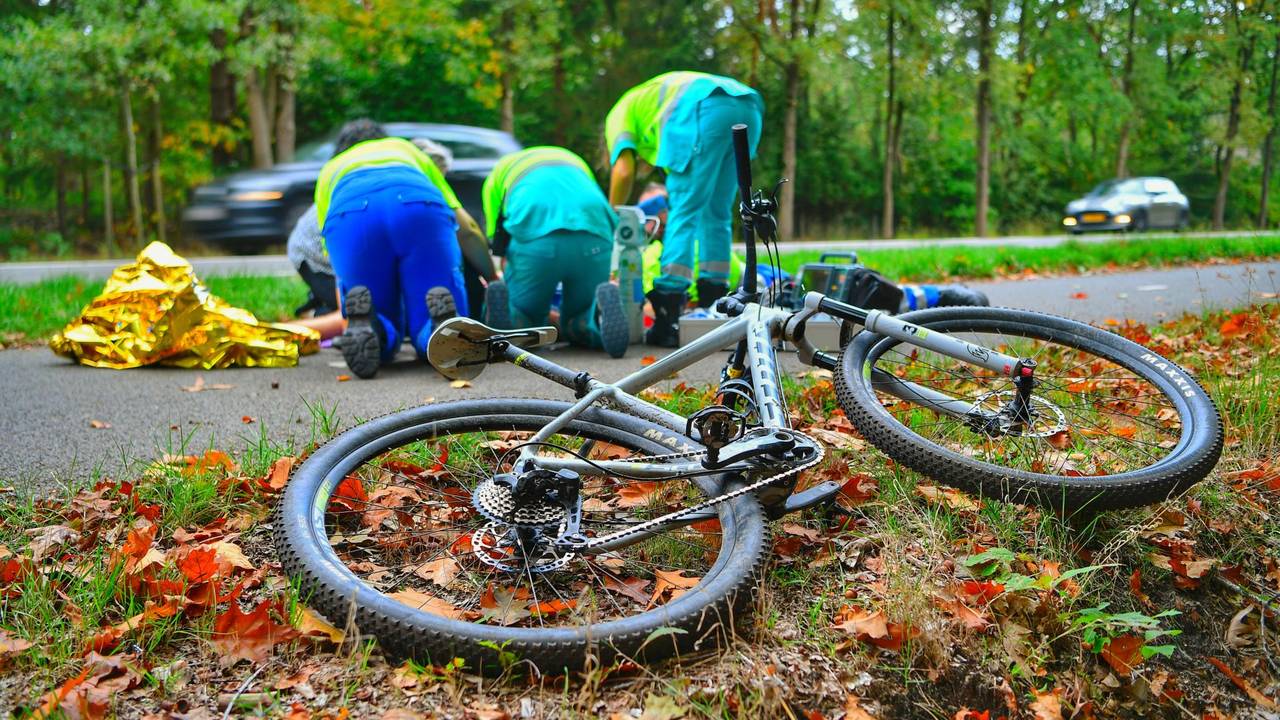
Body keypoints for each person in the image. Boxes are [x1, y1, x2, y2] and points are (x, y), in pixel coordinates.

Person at [315, 119, 497, 378]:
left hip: (351, 213)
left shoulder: (330, 170)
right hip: (415, 200)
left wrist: (348, 315)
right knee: (436, 301)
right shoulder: (406, 150)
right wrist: (491, 276)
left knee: (378, 311)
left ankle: (374, 329)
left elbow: (336, 263)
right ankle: (439, 330)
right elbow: (466, 228)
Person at [605, 71, 764, 346]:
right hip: (748, 105)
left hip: (702, 110)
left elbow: (622, 172)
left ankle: (669, 314)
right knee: (717, 213)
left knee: (685, 211)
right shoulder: (648, 103)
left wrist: (610, 218)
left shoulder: (618, 113)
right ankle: (714, 305)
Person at [480, 146, 629, 358]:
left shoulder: (498, 174)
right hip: (595, 234)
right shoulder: (574, 160)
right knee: (580, 311)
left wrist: (503, 277)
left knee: (527, 314)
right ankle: (592, 320)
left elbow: (498, 242)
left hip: (537, 239)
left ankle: (512, 327)